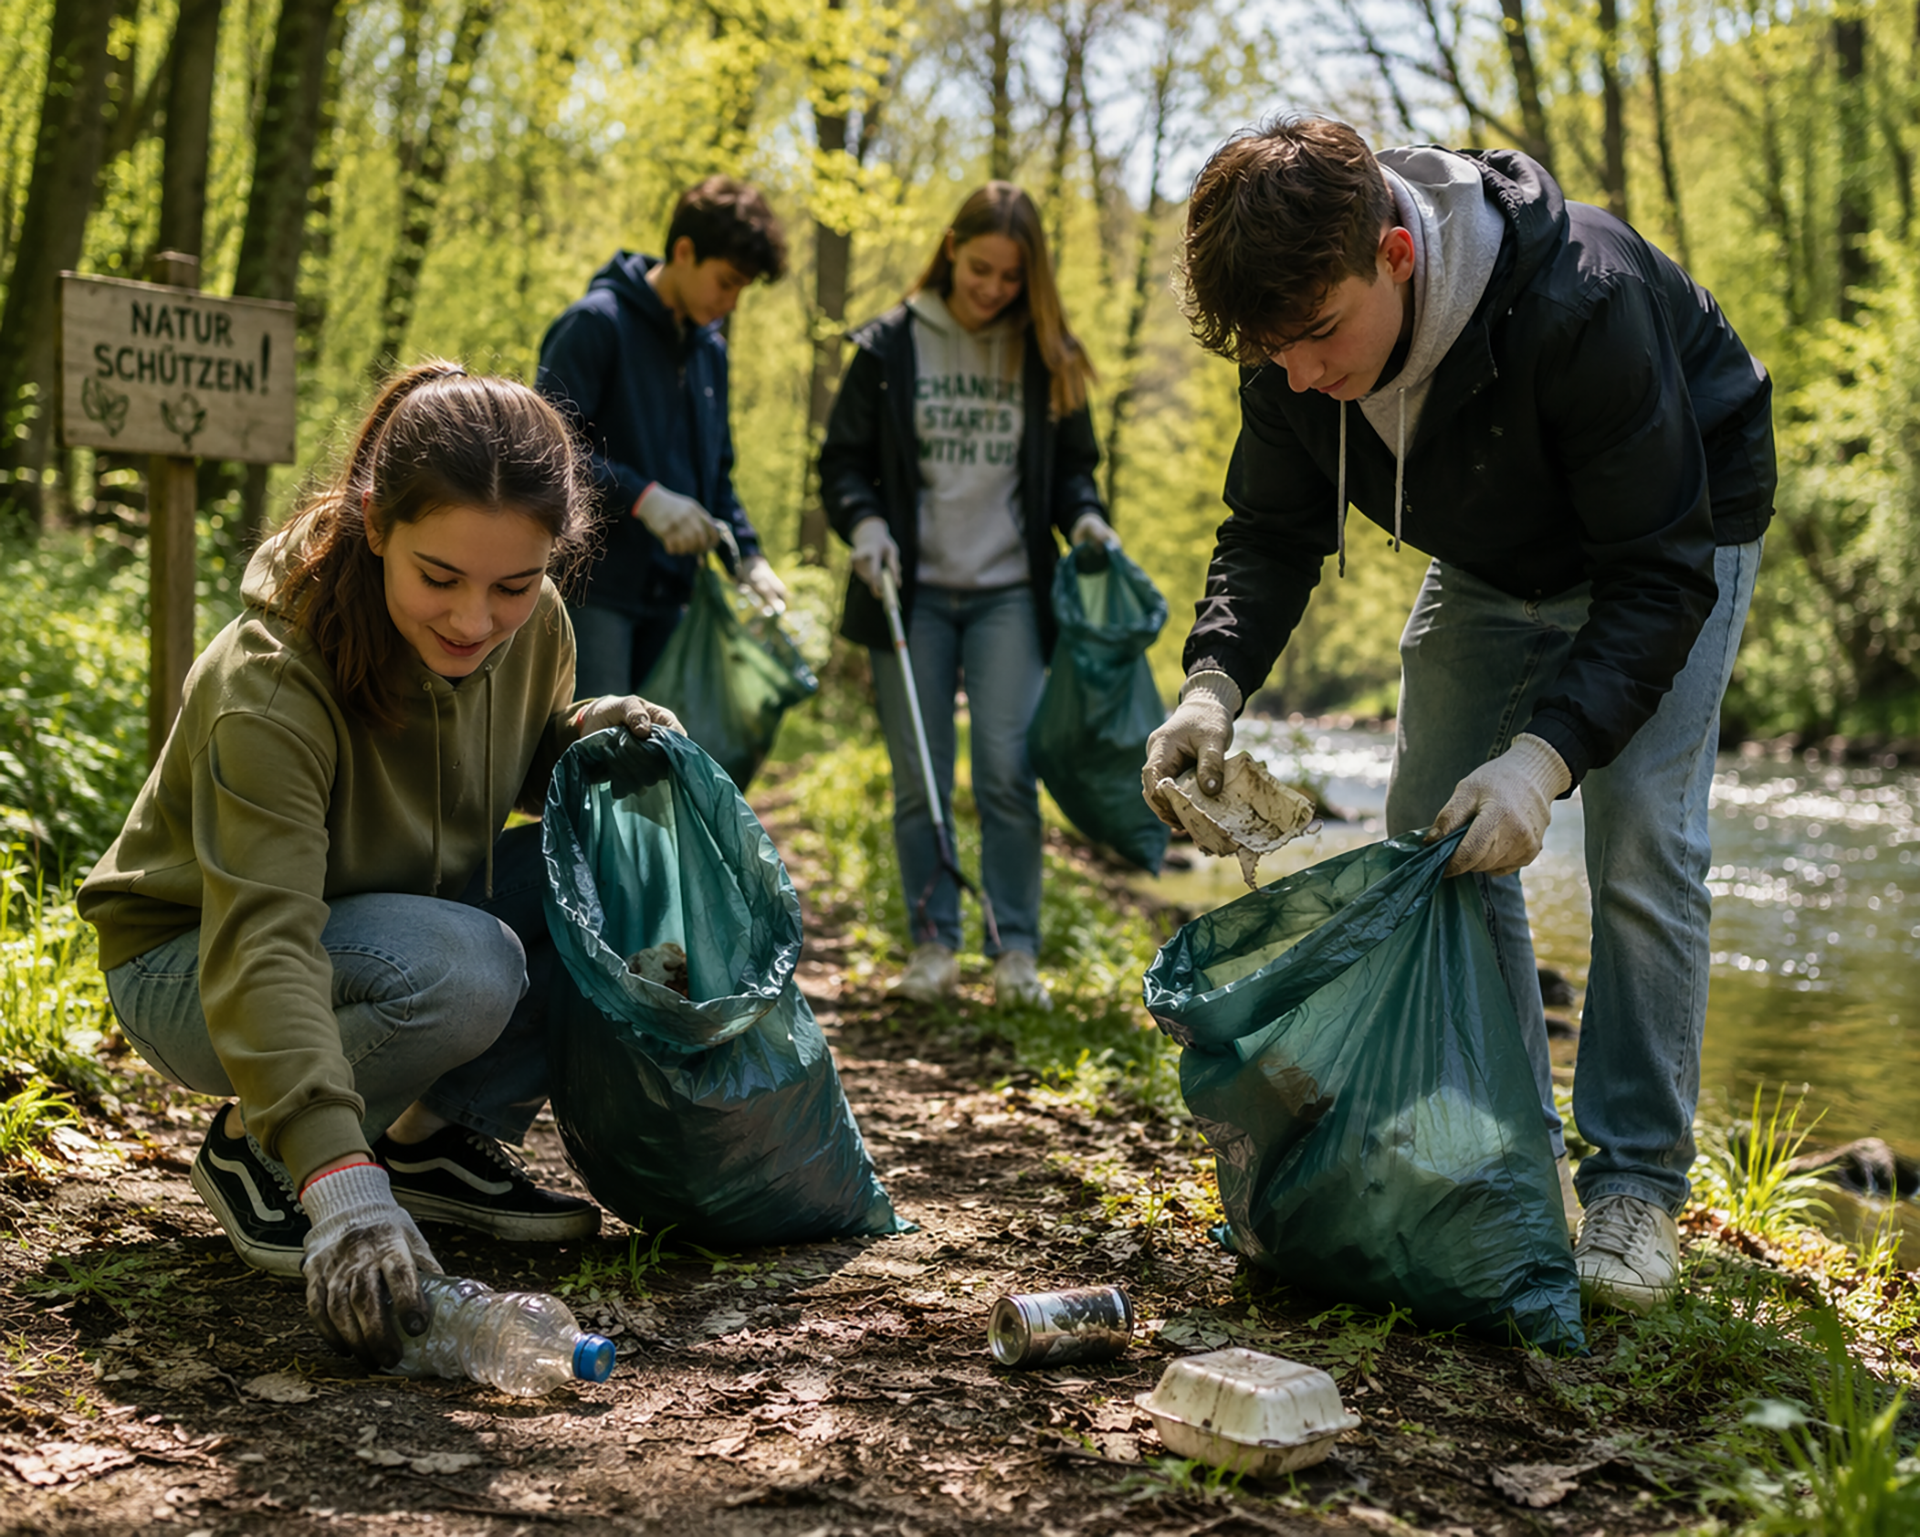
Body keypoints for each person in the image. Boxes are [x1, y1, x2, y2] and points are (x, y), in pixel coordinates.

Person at [1142, 117, 1774, 1313]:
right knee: (1434, 834)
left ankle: (1636, 1183)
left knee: (1640, 831)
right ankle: (1505, 1148)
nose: (1303, 375)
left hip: (1675, 528)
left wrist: (1542, 761)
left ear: (1393, 250)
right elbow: (1271, 531)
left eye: (1321, 338)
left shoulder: (1580, 298)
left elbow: (1656, 576)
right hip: (1492, 548)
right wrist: (1209, 690)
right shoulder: (1288, 327)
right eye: (1273, 353)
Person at [78, 364, 681, 1368]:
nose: (476, 621)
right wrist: (341, 1186)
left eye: (515, 586)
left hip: (376, 918)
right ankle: (271, 1149)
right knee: (468, 964)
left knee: (599, 861)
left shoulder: (536, 632)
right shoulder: (268, 683)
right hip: (195, 960)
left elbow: (502, 759)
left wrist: (584, 737)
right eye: (439, 578)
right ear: (373, 524)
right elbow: (262, 939)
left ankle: (438, 1136)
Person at [821, 181, 1117, 1012]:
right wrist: (866, 524)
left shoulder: (1046, 354)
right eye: (981, 268)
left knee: (1005, 770)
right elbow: (840, 462)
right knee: (919, 776)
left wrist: (1088, 520)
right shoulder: (889, 345)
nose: (992, 289)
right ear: (951, 249)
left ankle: (1015, 949)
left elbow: (1073, 471)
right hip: (906, 593)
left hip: (1005, 597)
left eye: (1011, 278)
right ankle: (933, 945)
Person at [535, 175, 791, 700]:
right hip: (593, 590)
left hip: (674, 599)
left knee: (657, 766)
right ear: (684, 251)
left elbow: (715, 474)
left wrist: (748, 557)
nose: (733, 302)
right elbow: (546, 453)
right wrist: (643, 499)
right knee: (599, 754)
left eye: (743, 288)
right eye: (727, 281)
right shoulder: (594, 326)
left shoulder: (709, 355)